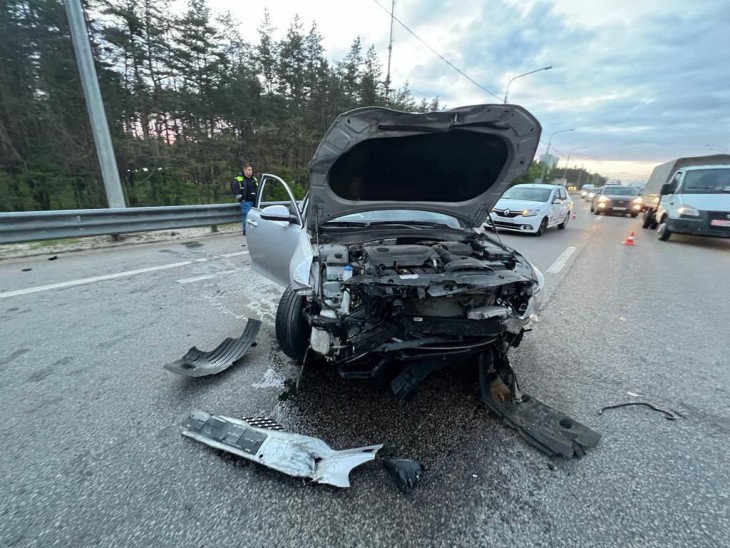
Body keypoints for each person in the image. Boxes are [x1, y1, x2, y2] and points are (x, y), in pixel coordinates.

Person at [231, 163, 258, 235]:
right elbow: (235, 189)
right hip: (246, 201)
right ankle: (246, 231)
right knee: (246, 216)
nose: (251, 171)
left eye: (251, 170)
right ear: (244, 170)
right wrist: (241, 199)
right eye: (249, 170)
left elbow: (257, 188)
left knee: (254, 217)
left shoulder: (254, 179)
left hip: (254, 201)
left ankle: (252, 231)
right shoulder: (239, 179)